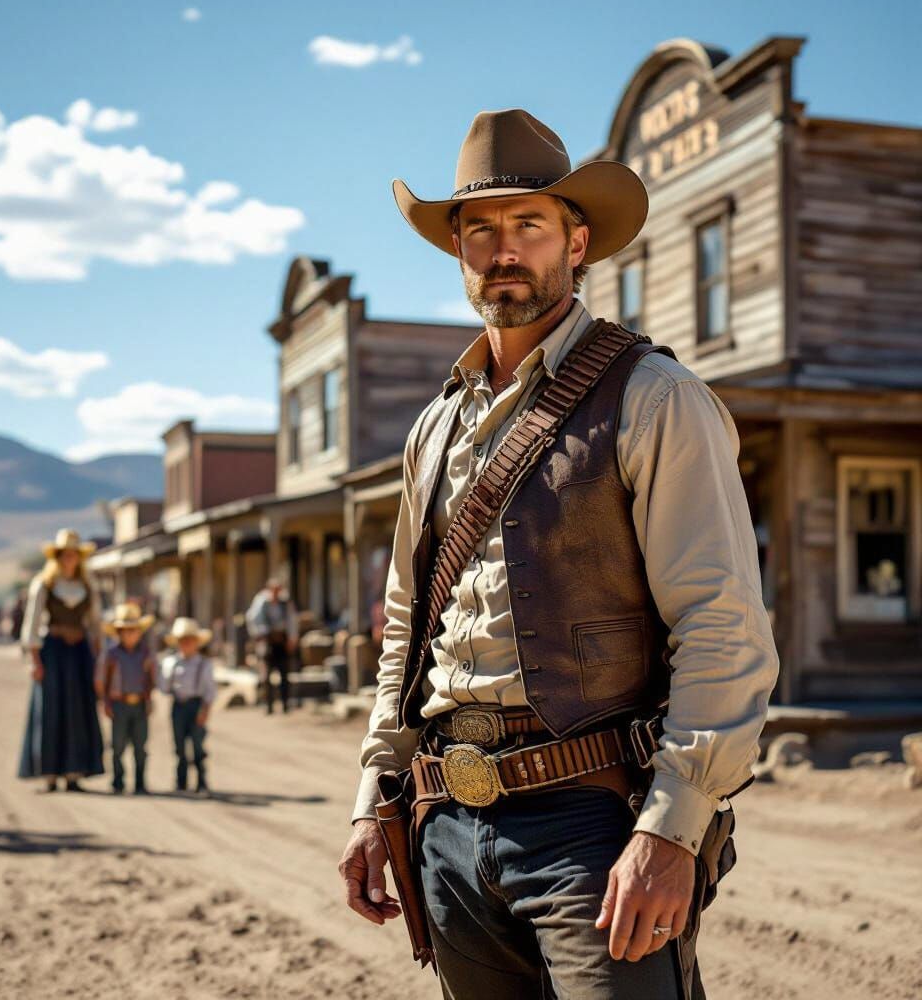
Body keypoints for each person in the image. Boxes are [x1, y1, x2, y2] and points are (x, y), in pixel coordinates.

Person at [339, 109, 780, 999]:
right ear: (458, 252)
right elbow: (402, 630)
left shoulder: (654, 398)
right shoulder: (434, 428)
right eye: (481, 231)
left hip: (593, 818)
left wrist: (671, 829)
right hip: (445, 824)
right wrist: (373, 797)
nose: (506, 251)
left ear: (577, 243)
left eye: (530, 225)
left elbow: (723, 626)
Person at [17, 528, 104, 792]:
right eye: (65, 555)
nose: (69, 559)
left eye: (73, 555)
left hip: (78, 653)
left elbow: (96, 625)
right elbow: (32, 625)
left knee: (77, 710)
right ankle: (50, 773)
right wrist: (34, 660)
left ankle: (74, 773)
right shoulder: (45, 584)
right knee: (51, 710)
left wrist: (99, 659)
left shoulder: (88, 586)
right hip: (53, 652)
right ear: (57, 557)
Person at [99, 602, 156, 795]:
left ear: (140, 632)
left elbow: (150, 679)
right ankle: (118, 781)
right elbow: (102, 681)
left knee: (141, 746)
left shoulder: (145, 653)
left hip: (139, 703)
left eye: (134, 631)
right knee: (117, 746)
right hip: (119, 704)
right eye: (126, 631)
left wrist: (149, 699)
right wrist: (105, 702)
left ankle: (140, 782)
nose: (130, 635)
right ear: (119, 633)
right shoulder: (112, 654)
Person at [158, 617, 217, 794]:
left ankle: (201, 781)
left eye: (190, 640)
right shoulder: (171, 663)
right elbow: (164, 688)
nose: (186, 644)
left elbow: (210, 690)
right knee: (179, 746)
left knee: (198, 745)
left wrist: (205, 710)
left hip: (196, 705)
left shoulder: (204, 664)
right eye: (183, 641)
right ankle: (180, 781)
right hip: (178, 705)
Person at [245, 578, 298, 715]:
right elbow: (253, 619)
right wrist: (261, 635)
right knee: (267, 675)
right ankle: (268, 705)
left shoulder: (285, 603)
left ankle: (285, 704)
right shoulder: (262, 602)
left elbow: (292, 620)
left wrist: (292, 639)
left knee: (284, 674)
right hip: (268, 642)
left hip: (282, 642)